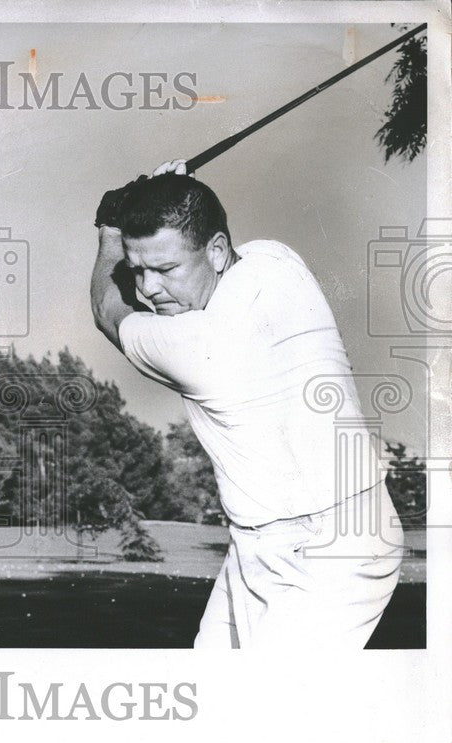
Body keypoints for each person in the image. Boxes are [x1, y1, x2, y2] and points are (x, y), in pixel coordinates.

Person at [90, 161, 404, 649]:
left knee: (267, 715)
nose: (150, 288)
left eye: (166, 269)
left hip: (336, 552)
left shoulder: (194, 344)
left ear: (216, 251)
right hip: (260, 541)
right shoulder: (277, 262)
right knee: (212, 703)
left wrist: (112, 224)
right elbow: (214, 240)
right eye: (139, 271)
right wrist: (178, 195)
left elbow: (108, 312)